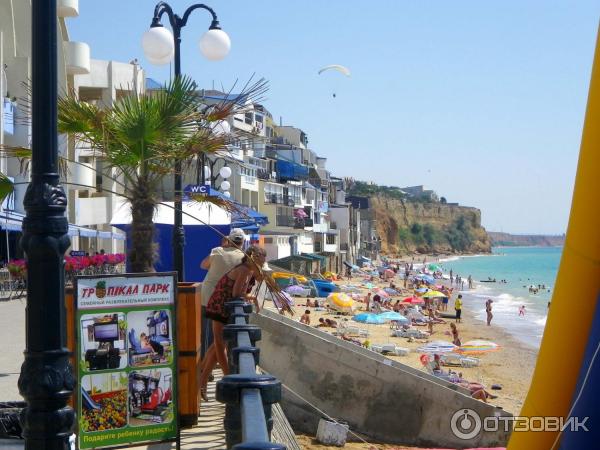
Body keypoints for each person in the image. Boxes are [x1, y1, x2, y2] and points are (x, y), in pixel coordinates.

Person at [200, 245, 266, 401]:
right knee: (219, 345)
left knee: (216, 347)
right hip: (219, 305)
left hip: (222, 305)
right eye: (261, 262)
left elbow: (240, 292)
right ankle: (228, 377)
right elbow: (237, 293)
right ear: (254, 258)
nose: (262, 265)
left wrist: (251, 297)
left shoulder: (247, 270)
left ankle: (201, 381)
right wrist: (250, 297)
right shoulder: (244, 270)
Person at [199, 229, 246, 383]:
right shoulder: (243, 257)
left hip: (208, 297)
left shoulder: (218, 251)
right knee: (218, 340)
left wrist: (222, 248)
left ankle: (204, 372)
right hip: (226, 300)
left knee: (208, 337)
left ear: (229, 240)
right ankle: (208, 372)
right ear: (242, 242)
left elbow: (203, 265)